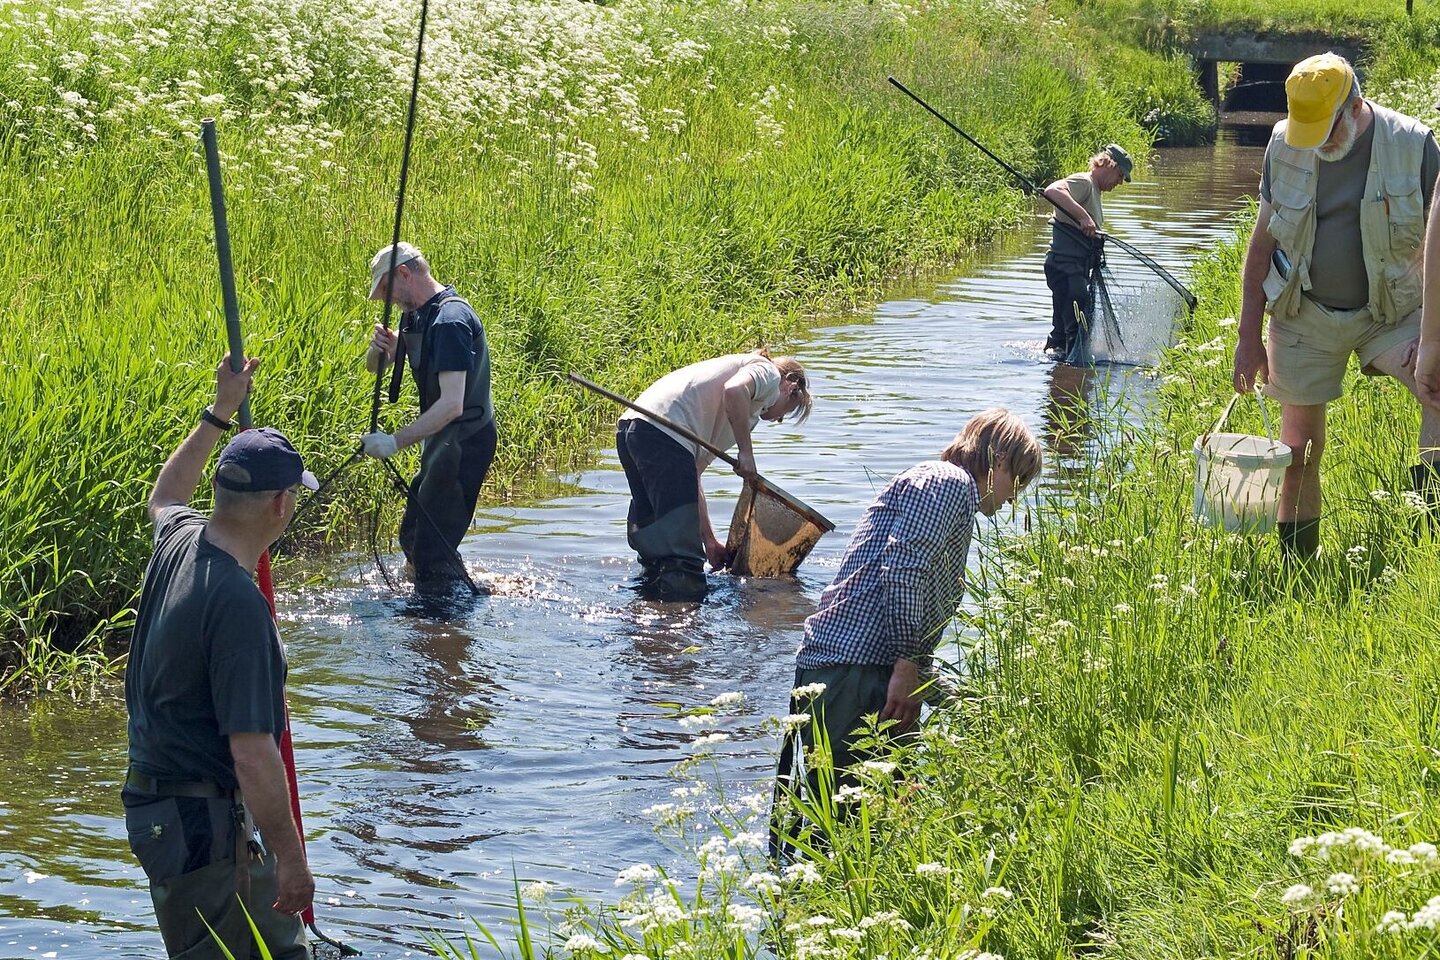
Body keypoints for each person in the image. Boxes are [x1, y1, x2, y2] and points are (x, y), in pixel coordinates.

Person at [123, 355, 318, 959]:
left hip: (159, 810)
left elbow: (165, 494)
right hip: (201, 826)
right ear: (280, 504)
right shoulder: (240, 607)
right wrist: (291, 861)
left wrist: (219, 411)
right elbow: (253, 754)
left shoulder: (180, 540)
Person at [1232, 53, 1440, 559]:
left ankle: (1429, 541)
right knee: (1298, 450)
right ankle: (1297, 567)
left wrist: (1435, 338)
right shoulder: (1282, 143)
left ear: (1356, 106)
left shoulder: (1414, 145)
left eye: (1326, 131)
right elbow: (1261, 245)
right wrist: (1246, 337)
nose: (1318, 144)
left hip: (1393, 312)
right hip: (1304, 313)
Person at [791, 408, 1041, 786]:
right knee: (850, 811)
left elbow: (906, 597)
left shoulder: (947, 491)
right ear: (1000, 460)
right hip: (851, 673)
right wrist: (907, 667)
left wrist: (964, 705)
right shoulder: (949, 482)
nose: (1013, 500)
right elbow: (903, 570)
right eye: (1018, 482)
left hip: (861, 670)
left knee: (893, 804)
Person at [616, 350, 813, 601]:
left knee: (655, 541)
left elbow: (692, 475)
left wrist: (709, 541)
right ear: (790, 387)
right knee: (683, 558)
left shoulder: (742, 414)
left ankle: (650, 609)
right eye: (788, 410)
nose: (780, 419)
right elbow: (734, 390)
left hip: (633, 430)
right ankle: (681, 614)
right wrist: (746, 452)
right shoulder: (769, 373)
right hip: (664, 434)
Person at [362, 242, 496, 589]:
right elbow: (375, 367)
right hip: (441, 442)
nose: (387, 301)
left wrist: (393, 442)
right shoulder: (417, 315)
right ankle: (445, 594)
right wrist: (379, 350)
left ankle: (442, 613)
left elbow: (452, 405)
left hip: (465, 443)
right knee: (413, 537)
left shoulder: (451, 321)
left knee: (431, 554)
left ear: (404, 274)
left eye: (386, 290)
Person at [1042, 144, 1133, 363]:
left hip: (1073, 269)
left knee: (1063, 333)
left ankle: (1058, 373)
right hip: (1067, 269)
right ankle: (1072, 376)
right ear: (1109, 165)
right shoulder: (1085, 182)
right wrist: (1084, 217)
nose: (1120, 182)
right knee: (1076, 328)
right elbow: (1052, 191)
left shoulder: (1095, 191)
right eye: (1120, 175)